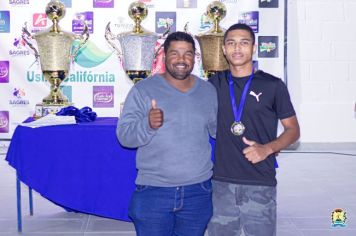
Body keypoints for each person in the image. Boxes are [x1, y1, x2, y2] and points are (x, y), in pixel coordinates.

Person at [116, 31, 217, 236]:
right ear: (164, 56)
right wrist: (148, 124)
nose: (181, 59)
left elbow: (219, 132)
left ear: (195, 58)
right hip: (154, 191)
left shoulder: (208, 91)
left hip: (198, 192)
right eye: (175, 53)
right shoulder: (143, 90)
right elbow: (124, 136)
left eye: (188, 53)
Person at [207, 23, 300, 236]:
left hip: (260, 182)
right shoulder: (213, 85)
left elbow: (293, 130)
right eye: (231, 43)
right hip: (221, 183)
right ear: (223, 49)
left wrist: (268, 148)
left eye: (244, 43)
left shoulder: (273, 85)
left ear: (254, 48)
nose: (237, 49)